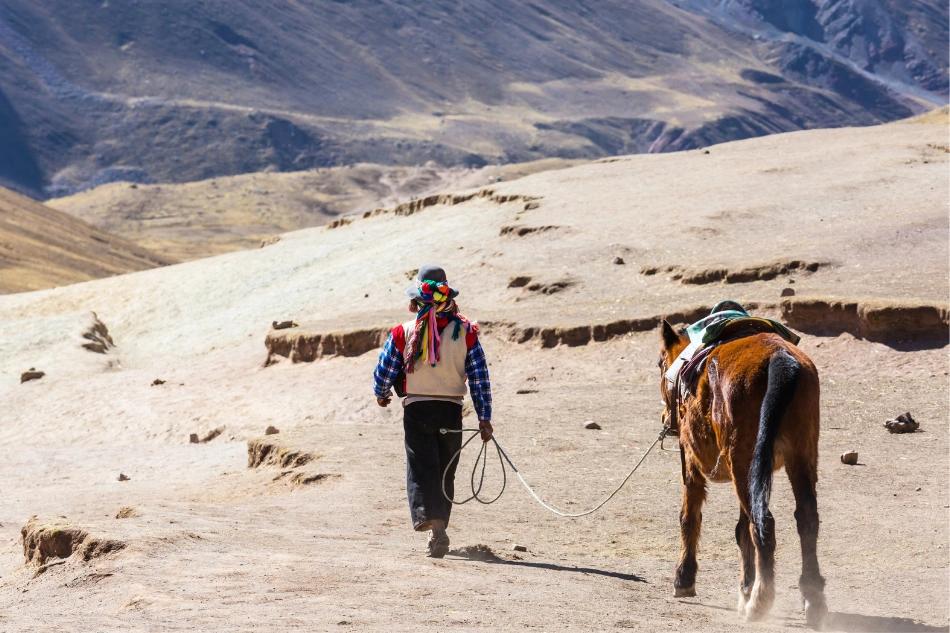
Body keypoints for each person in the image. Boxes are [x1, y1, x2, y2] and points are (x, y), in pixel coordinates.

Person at [373, 265, 493, 558]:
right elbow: (479, 377)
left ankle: (437, 530)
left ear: (416, 300)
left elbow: (385, 369)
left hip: (417, 410)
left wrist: (382, 392)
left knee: (421, 469)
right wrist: (484, 417)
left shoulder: (404, 332)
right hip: (451, 411)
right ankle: (439, 529)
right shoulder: (466, 332)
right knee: (444, 471)